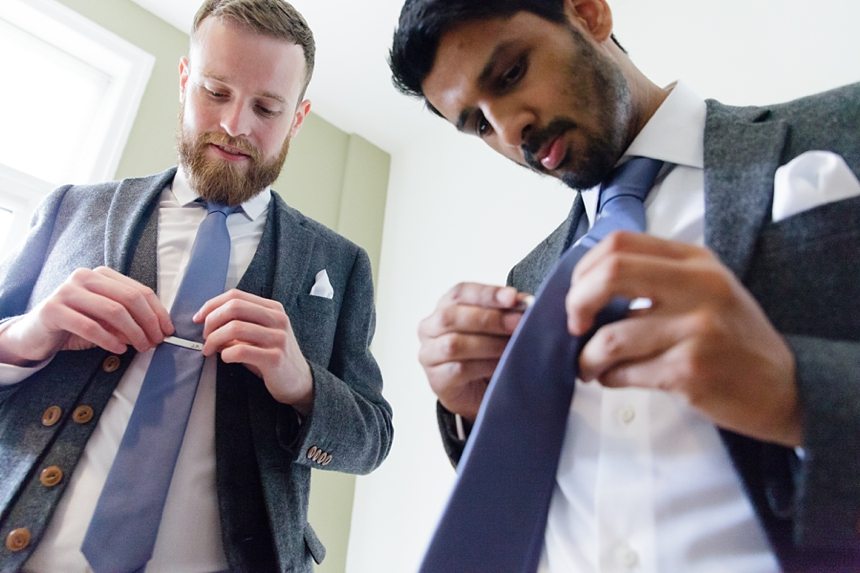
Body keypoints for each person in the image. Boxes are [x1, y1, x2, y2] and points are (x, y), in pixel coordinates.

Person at [389, 0, 859, 571]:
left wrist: (796, 396)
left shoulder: (843, 128)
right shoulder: (529, 282)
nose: (512, 129)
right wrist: (480, 413)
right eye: (480, 125)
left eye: (511, 73)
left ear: (588, 14)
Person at [0, 0, 392, 571]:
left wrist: (302, 383)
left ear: (298, 118)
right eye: (215, 92)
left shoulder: (342, 263)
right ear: (185, 81)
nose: (236, 126)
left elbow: (372, 439)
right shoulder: (70, 210)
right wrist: (25, 338)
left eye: (267, 106)